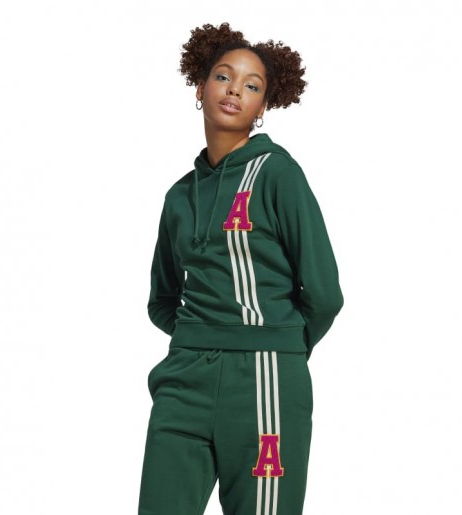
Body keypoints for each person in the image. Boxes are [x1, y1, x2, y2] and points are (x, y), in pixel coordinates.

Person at [138, 22, 344, 515]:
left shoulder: (278, 174)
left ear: (262, 106)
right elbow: (162, 299)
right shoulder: (179, 196)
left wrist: (277, 343)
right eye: (223, 77)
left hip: (264, 377)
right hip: (183, 379)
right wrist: (198, 335)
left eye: (252, 86)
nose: (234, 90)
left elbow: (324, 293)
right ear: (199, 88)